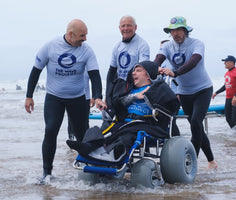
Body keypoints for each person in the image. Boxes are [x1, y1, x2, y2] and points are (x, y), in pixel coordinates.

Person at [24, 19, 106, 183]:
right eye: (82, 36)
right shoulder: (50, 47)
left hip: (78, 99)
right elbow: (35, 71)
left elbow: (95, 75)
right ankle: (47, 173)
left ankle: (91, 170)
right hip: (55, 98)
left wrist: (98, 96)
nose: (85, 39)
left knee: (83, 134)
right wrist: (29, 96)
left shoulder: (87, 50)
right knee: (51, 130)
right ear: (70, 35)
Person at [66, 61, 179, 160]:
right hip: (125, 122)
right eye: (134, 71)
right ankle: (87, 147)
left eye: (138, 70)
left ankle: (114, 153)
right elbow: (120, 102)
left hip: (145, 124)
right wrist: (135, 96)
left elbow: (171, 105)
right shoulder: (129, 90)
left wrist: (149, 92)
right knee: (97, 130)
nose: (133, 73)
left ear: (148, 75)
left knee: (126, 135)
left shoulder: (158, 89)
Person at [154, 16, 217, 170]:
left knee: (196, 122)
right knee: (197, 127)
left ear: (185, 30)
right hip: (185, 92)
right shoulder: (168, 46)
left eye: (178, 30)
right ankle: (211, 161)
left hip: (203, 89)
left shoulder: (197, 44)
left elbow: (194, 61)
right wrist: (153, 68)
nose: (175, 33)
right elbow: (158, 59)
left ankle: (191, 164)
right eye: (172, 31)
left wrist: (175, 72)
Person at [103, 15, 150, 129]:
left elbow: (143, 71)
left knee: (129, 124)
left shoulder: (142, 45)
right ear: (119, 28)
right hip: (119, 89)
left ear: (135, 27)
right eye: (123, 26)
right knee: (108, 121)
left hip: (133, 89)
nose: (126, 28)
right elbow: (111, 72)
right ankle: (99, 144)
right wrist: (107, 95)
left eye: (129, 25)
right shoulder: (117, 47)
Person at [212, 56, 236, 136]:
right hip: (228, 98)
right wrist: (216, 92)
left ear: (232, 63)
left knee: (235, 118)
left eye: (226, 61)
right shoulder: (227, 73)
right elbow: (225, 86)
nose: (224, 63)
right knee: (228, 118)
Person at [67, 70, 94, 141]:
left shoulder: (88, 67)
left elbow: (94, 81)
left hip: (86, 98)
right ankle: (71, 139)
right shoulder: (73, 66)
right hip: (72, 97)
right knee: (71, 120)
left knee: (85, 121)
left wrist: (94, 97)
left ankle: (86, 140)